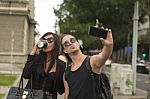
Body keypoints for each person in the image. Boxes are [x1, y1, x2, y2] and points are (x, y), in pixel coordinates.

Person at [61, 28, 113, 99]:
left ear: (78, 43)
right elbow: (67, 96)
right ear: (65, 50)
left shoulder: (91, 61)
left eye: (73, 40)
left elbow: (103, 56)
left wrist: (108, 45)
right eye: (66, 44)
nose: (70, 43)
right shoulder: (66, 73)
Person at [22, 32, 66, 99]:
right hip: (31, 97)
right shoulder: (36, 60)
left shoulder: (61, 65)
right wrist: (33, 51)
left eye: (50, 40)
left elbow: (61, 90)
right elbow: (26, 75)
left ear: (56, 44)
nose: (46, 42)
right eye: (44, 40)